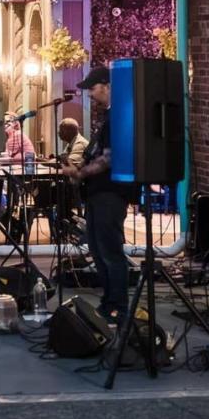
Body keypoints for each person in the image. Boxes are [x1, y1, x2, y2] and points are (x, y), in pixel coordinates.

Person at [62, 66, 131, 324]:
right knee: (98, 251)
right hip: (97, 193)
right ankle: (108, 303)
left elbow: (109, 159)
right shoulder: (109, 117)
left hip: (110, 194)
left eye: (92, 88)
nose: (89, 94)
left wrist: (80, 173)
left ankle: (118, 307)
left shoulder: (119, 117)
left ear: (106, 85)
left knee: (110, 252)